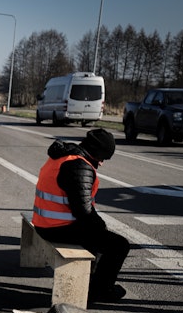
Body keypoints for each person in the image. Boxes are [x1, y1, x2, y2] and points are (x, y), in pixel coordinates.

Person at [32, 128, 130, 302]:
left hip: (45, 222)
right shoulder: (79, 166)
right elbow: (83, 211)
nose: (102, 163)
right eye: (102, 158)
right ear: (95, 151)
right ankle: (100, 291)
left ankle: (92, 284)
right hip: (57, 228)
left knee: (99, 237)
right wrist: (101, 227)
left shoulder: (66, 156)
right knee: (118, 245)